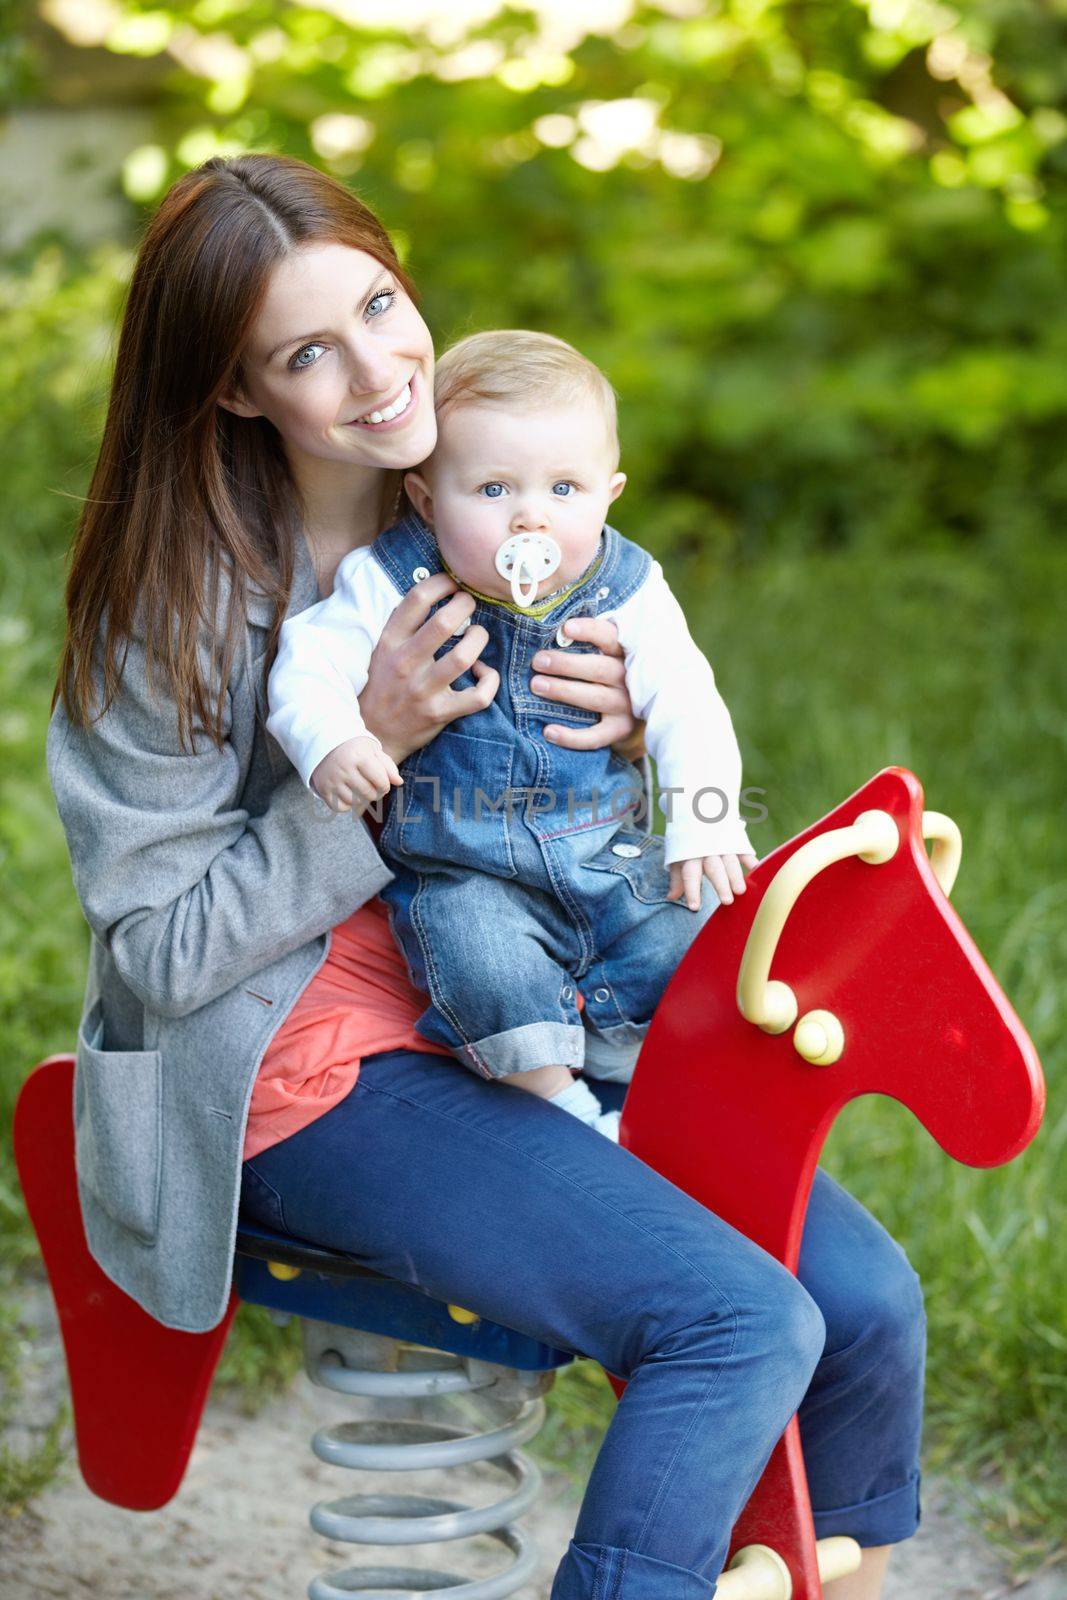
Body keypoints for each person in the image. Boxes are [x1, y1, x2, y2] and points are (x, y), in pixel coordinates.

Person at [46, 152, 925, 1600]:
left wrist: (628, 736)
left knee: (863, 1301)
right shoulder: (174, 606)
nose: (381, 370)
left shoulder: (490, 477)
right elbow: (157, 951)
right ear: (236, 391)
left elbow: (650, 680)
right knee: (734, 1321)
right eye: (307, 352)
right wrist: (374, 752)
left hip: (537, 983)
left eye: (383, 305)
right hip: (304, 1055)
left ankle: (809, 1570)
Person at [265, 326, 758, 1135]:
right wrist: (338, 740)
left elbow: (686, 697)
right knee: (477, 958)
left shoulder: (626, 587)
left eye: (564, 490)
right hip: (466, 865)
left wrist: (703, 819)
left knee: (688, 931)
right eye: (492, 491)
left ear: (609, 493)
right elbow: (305, 664)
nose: (531, 518)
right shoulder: (394, 578)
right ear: (428, 499)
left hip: (602, 845)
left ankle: (635, 1068)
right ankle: (558, 1100)